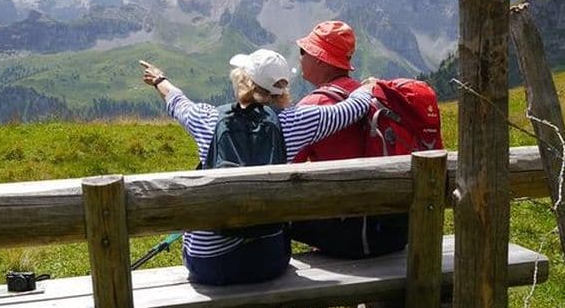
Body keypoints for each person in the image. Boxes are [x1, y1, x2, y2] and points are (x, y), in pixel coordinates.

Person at [140, 49, 375, 286]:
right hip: (267, 262)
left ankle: (213, 305)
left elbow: (177, 102)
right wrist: (367, 87)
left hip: (207, 264)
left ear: (243, 80)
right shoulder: (297, 122)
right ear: (282, 88)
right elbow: (352, 109)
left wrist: (159, 80)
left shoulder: (207, 119)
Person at [290, 20, 409, 258]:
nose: (300, 57)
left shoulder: (314, 105)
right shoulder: (370, 95)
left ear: (320, 58)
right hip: (392, 232)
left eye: (304, 51)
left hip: (350, 237)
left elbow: (287, 166)